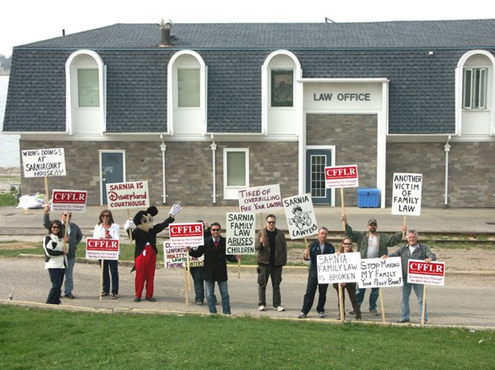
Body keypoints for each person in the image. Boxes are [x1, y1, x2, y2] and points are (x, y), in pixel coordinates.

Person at [341, 214, 405, 316]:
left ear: (376, 226)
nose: (372, 226)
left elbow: (394, 240)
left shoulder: (382, 237)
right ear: (368, 226)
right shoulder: (361, 236)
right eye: (370, 225)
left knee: (375, 290)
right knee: (360, 289)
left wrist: (402, 232)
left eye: (374, 225)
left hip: (377, 267)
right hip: (364, 267)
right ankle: (356, 307)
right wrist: (345, 222)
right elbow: (349, 234)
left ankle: (373, 308)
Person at [385, 229, 436, 323]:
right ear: (407, 238)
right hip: (405, 278)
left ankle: (423, 318)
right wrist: (387, 257)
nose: (411, 239)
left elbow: (432, 255)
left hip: (418, 278)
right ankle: (405, 317)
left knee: (421, 299)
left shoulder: (423, 248)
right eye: (409, 237)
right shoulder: (403, 249)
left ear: (417, 238)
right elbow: (394, 254)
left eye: (413, 237)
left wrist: (430, 259)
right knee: (404, 299)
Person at [186, 222, 238, 314]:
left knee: (225, 293)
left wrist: (236, 258)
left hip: (221, 272)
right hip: (209, 272)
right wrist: (190, 250)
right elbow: (198, 253)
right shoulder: (205, 241)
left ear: (220, 231)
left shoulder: (225, 242)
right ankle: (212, 312)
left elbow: (229, 257)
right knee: (209, 294)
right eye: (214, 230)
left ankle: (226, 312)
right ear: (210, 231)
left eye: (217, 230)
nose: (215, 232)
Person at [43, 206, 83, 299]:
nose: (67, 217)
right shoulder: (57, 226)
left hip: (70, 255)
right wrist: (46, 213)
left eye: (69, 215)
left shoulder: (74, 227)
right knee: (58, 277)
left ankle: (68, 292)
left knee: (68, 275)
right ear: (62, 216)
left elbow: (79, 236)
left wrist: (74, 244)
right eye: (65, 215)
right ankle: (57, 292)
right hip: (58, 257)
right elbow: (45, 223)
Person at [298, 227, 335, 319]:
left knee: (323, 293)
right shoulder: (312, 245)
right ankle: (304, 311)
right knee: (309, 292)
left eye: (325, 234)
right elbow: (307, 258)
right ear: (318, 235)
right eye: (322, 233)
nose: (323, 235)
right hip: (314, 273)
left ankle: (321, 310)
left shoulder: (330, 247)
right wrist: (306, 254)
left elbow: (334, 260)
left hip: (325, 274)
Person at [255, 214, 288, 312]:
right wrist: (260, 242)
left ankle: (277, 304)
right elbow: (256, 247)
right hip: (264, 263)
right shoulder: (261, 233)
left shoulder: (280, 234)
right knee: (262, 284)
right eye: (269, 222)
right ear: (266, 223)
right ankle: (262, 303)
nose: (271, 224)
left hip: (276, 264)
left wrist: (283, 261)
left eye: (273, 222)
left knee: (276, 285)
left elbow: (284, 249)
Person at [332, 238, 362, 321]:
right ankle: (341, 315)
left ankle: (358, 315)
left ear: (351, 245)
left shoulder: (354, 255)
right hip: (339, 281)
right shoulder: (337, 254)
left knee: (354, 299)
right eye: (345, 244)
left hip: (350, 281)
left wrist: (347, 280)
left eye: (349, 244)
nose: (347, 245)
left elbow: (356, 269)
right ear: (342, 244)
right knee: (340, 299)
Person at [93, 209, 120, 299]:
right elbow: (94, 238)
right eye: (103, 216)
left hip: (111, 252)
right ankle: (105, 289)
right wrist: (100, 239)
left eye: (107, 216)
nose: (105, 218)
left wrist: (110, 237)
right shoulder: (98, 227)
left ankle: (115, 291)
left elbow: (117, 239)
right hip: (102, 252)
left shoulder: (115, 226)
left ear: (110, 217)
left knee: (114, 271)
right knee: (104, 271)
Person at [43, 220, 67, 304]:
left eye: (57, 227)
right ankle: (49, 302)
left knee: (59, 286)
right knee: (56, 285)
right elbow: (49, 252)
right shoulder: (48, 238)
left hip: (62, 265)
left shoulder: (61, 239)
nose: (55, 229)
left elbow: (66, 250)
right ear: (51, 228)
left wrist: (67, 242)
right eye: (54, 227)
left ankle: (56, 301)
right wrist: (61, 253)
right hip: (53, 265)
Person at [189, 220, 211, 305]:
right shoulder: (189, 236)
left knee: (209, 281)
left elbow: (210, 240)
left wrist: (208, 229)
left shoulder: (206, 235)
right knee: (198, 279)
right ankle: (199, 298)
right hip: (194, 262)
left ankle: (211, 297)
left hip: (206, 261)